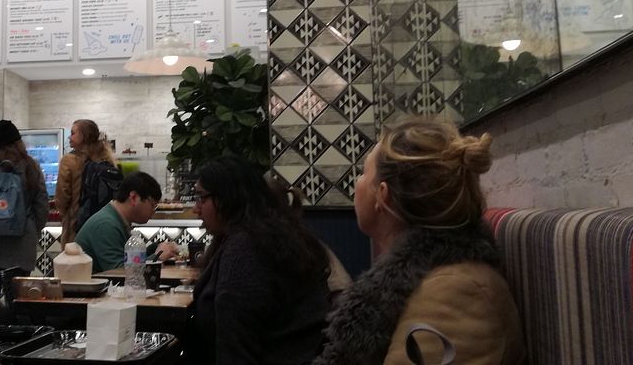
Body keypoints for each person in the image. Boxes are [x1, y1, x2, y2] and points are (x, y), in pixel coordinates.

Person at [314, 117, 524, 365]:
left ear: (382, 195)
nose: (356, 183)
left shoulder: (455, 292)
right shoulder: (427, 277)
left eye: (362, 174)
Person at [185, 156, 330, 365]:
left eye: (201, 197)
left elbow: (236, 352)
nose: (195, 208)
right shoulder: (270, 235)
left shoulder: (245, 251)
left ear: (227, 198)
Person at [0, 120, 49, 299]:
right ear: (18, 141)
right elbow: (42, 202)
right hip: (21, 244)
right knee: (17, 300)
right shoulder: (30, 164)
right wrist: (32, 228)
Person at [75, 172, 178, 273]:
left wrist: (154, 249)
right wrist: (157, 257)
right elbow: (119, 272)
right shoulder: (106, 225)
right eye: (153, 205)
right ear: (133, 197)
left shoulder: (116, 219)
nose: (153, 211)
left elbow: (129, 261)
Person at [55, 119, 116, 243]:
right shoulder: (105, 159)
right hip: (103, 224)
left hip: (77, 226)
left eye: (73, 133)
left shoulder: (69, 160)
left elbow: (62, 196)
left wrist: (65, 214)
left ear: (84, 136)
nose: (69, 137)